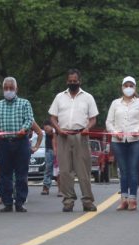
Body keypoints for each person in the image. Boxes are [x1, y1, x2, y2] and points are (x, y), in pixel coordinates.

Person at [49, 68, 99, 212]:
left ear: (79, 81)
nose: (72, 83)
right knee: (65, 171)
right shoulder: (59, 97)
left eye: (75, 81)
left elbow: (93, 119)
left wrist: (87, 128)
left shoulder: (88, 97)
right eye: (70, 81)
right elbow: (52, 117)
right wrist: (58, 130)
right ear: (67, 81)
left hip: (80, 136)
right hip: (63, 136)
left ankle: (88, 201)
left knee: (83, 171)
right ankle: (68, 201)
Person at [0, 76, 34, 212]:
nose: (8, 91)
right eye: (6, 88)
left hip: (21, 142)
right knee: (5, 174)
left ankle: (20, 202)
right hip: (4, 143)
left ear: (16, 89)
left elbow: (29, 120)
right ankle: (7, 202)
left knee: (21, 174)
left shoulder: (25, 103)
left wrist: (24, 129)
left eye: (11, 88)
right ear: (3, 89)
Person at [106, 76, 139, 211]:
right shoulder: (115, 103)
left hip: (135, 140)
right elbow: (109, 122)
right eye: (126, 85)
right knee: (123, 170)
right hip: (118, 141)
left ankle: (132, 199)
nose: (128, 88)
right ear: (122, 87)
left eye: (131, 85)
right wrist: (114, 132)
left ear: (135, 88)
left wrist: (138, 130)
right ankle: (123, 199)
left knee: (133, 169)